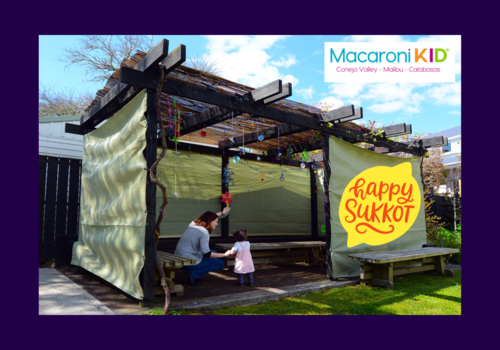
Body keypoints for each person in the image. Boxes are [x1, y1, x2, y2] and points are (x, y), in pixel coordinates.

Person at [174, 207, 232, 286]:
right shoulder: (204, 232)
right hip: (187, 262)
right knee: (220, 263)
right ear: (209, 221)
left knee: (214, 253)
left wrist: (221, 213)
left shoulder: (193, 224)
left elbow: (207, 218)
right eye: (215, 221)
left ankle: (193, 273)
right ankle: (192, 274)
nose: (217, 224)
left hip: (178, 258)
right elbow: (206, 254)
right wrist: (225, 254)